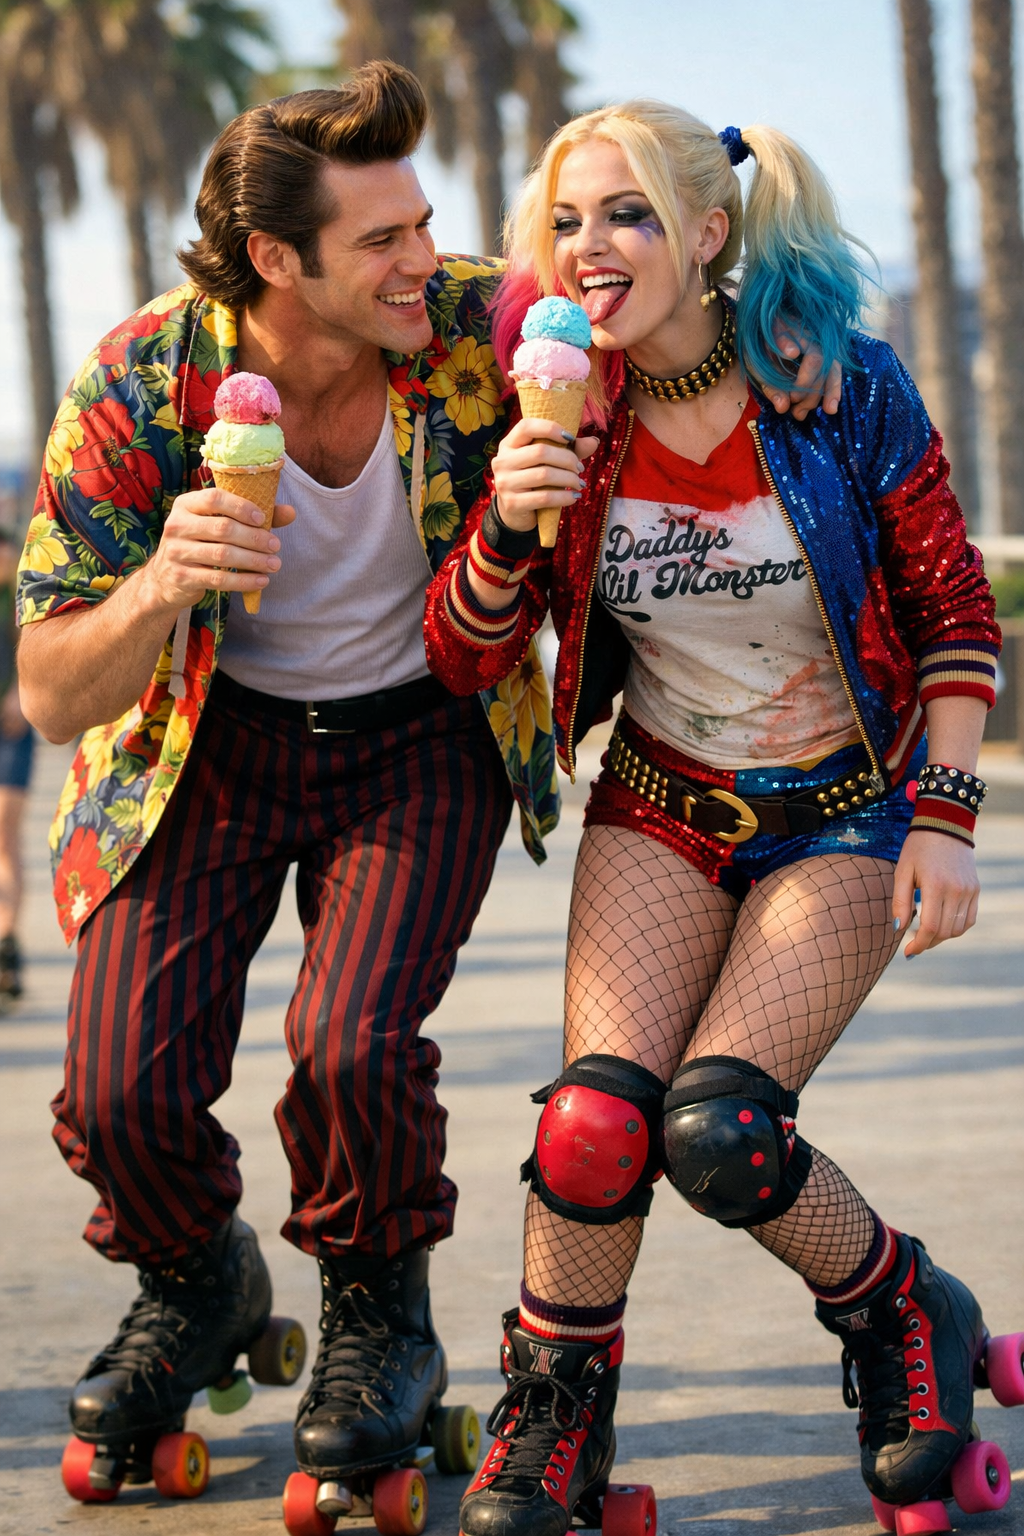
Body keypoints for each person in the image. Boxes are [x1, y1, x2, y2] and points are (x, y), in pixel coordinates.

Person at [425, 101, 1007, 1536]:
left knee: (721, 1130)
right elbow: (468, 655)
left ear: (705, 230)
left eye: (627, 213)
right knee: (591, 1129)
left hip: (843, 812)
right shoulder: (563, 410)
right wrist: (506, 521)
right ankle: (555, 1416)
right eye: (567, 220)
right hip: (661, 804)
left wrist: (945, 817)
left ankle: (905, 1310)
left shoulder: (836, 386)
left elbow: (952, 608)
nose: (592, 246)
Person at [16, 61, 558, 1504]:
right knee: (116, 1090)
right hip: (209, 742)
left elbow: (652, 316)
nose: (423, 257)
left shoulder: (480, 328)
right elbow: (50, 692)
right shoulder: (143, 382)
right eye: (382, 239)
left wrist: (795, 347)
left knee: (352, 1048)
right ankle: (197, 1279)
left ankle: (381, 1317)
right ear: (275, 257)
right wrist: (159, 586)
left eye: (422, 223)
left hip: (421, 735)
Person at [0, 527, 33, 1006]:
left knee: (5, 835)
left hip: (12, 730)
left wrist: (19, 696)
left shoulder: (24, 600)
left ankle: (6, 940)